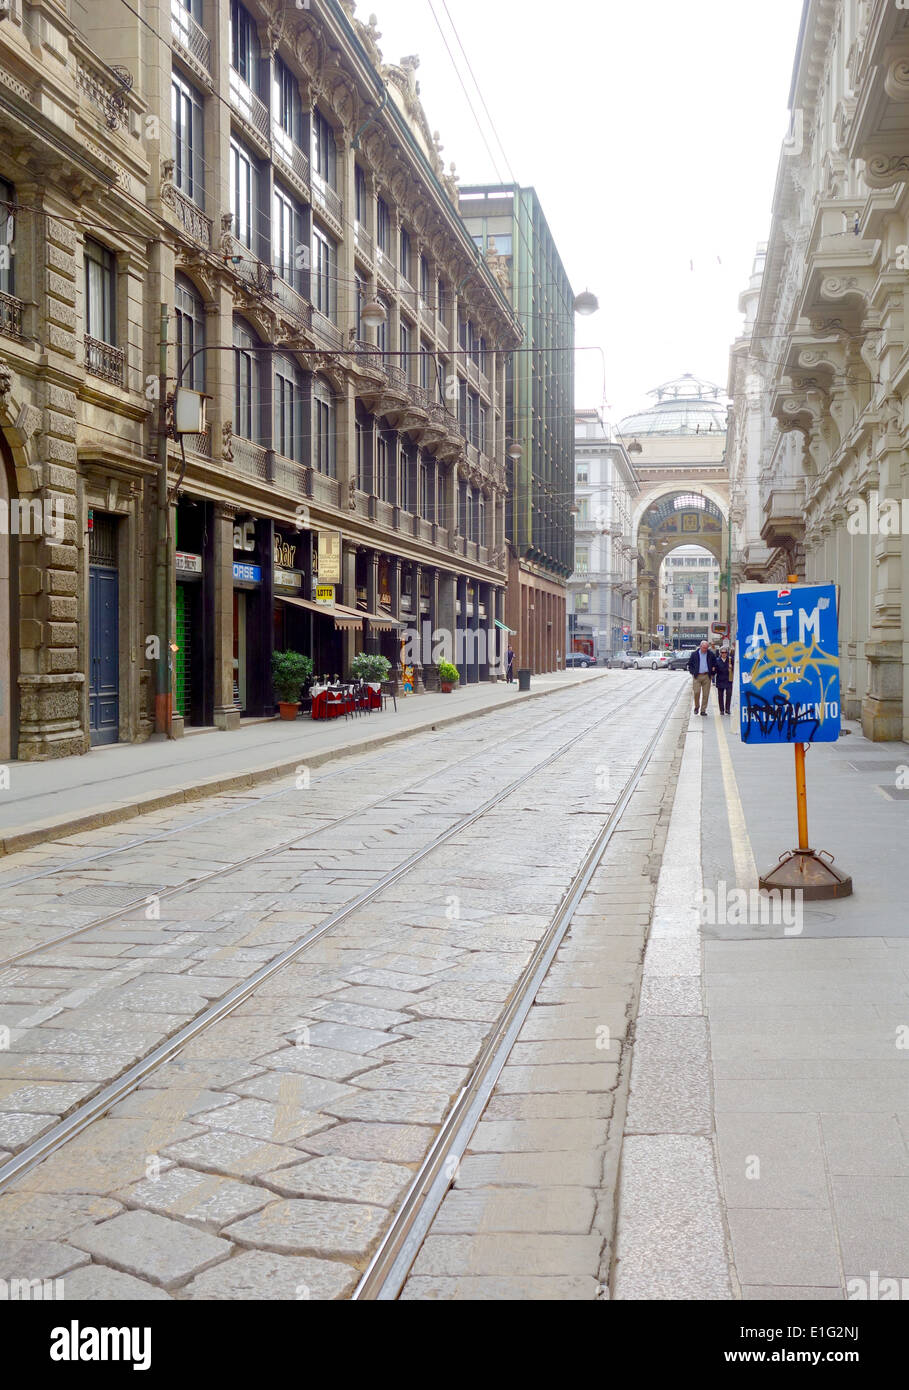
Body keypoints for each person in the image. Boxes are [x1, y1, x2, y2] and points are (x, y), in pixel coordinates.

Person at [687, 639, 717, 715]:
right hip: (697, 676)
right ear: (700, 647)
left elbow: (715, 664)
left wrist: (713, 672)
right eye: (704, 648)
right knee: (696, 692)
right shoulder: (694, 654)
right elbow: (689, 664)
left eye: (706, 648)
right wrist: (693, 672)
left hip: (707, 676)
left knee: (706, 694)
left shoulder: (710, 654)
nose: (705, 649)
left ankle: (703, 710)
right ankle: (697, 706)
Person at [713, 644, 733, 714]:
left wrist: (731, 668)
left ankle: (727, 709)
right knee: (720, 696)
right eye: (722, 652)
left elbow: (735, 670)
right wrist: (713, 670)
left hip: (728, 680)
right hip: (720, 680)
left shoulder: (730, 660)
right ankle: (721, 710)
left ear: (727, 653)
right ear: (720, 653)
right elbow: (714, 671)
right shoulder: (717, 660)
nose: (724, 654)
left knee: (729, 694)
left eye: (725, 652)